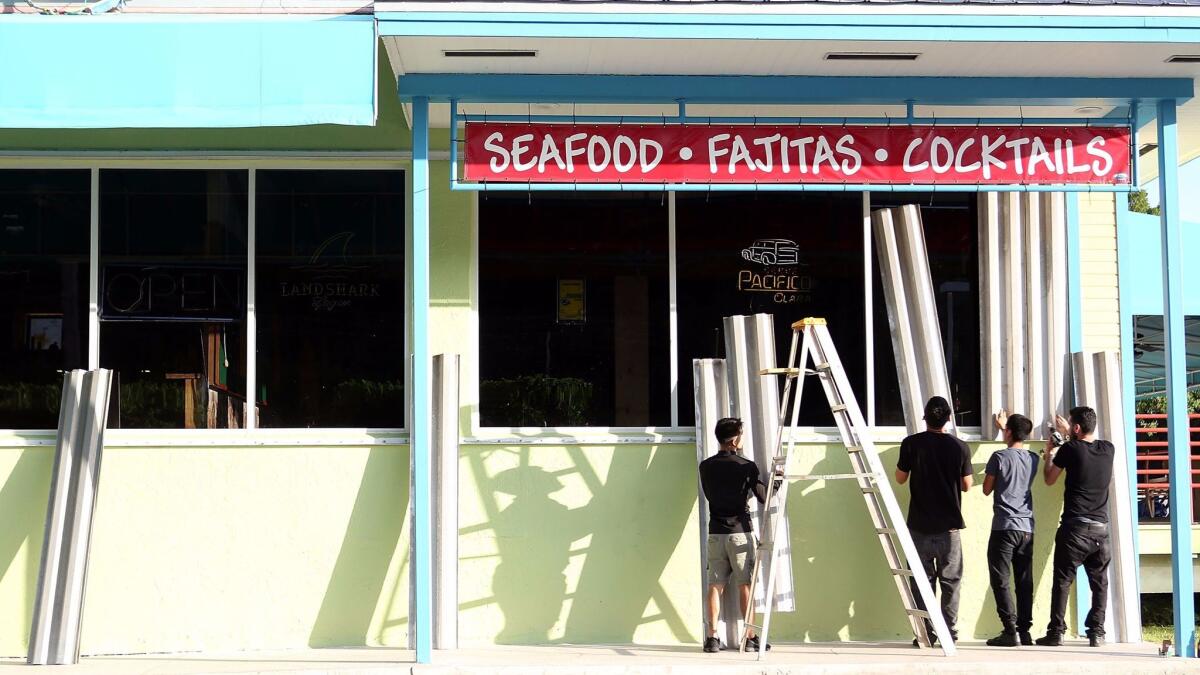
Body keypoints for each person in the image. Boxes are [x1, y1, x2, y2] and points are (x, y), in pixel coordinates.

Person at [895, 396, 973, 645]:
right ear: (948, 419)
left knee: (921, 582)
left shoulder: (910, 444)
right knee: (951, 582)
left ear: (924, 418)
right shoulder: (960, 446)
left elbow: (899, 478)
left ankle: (925, 632)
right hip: (949, 529)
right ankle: (949, 632)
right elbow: (967, 485)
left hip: (918, 526)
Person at [1036, 406, 1114, 648]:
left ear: (1077, 428)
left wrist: (1050, 453)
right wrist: (1070, 432)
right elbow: (1085, 448)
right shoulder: (1108, 449)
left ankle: (1056, 632)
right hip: (1101, 529)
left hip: (1075, 529)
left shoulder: (1069, 449)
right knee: (1099, 583)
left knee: (1062, 581)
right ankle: (1097, 633)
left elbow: (1049, 479)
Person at [698, 417, 777, 653]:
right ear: (734, 440)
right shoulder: (746, 466)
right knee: (745, 585)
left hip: (716, 533)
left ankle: (712, 638)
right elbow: (763, 496)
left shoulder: (706, 466)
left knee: (715, 585)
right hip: (740, 533)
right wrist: (777, 481)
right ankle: (750, 637)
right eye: (741, 434)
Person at [983, 412, 1039, 647]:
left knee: (1001, 580)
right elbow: (1017, 455)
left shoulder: (998, 457)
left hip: (1004, 527)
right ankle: (1024, 631)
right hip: (1027, 528)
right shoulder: (1034, 458)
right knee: (1024, 580)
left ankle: (1009, 630)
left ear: (1007, 431)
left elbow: (987, 489)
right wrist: (1006, 430)